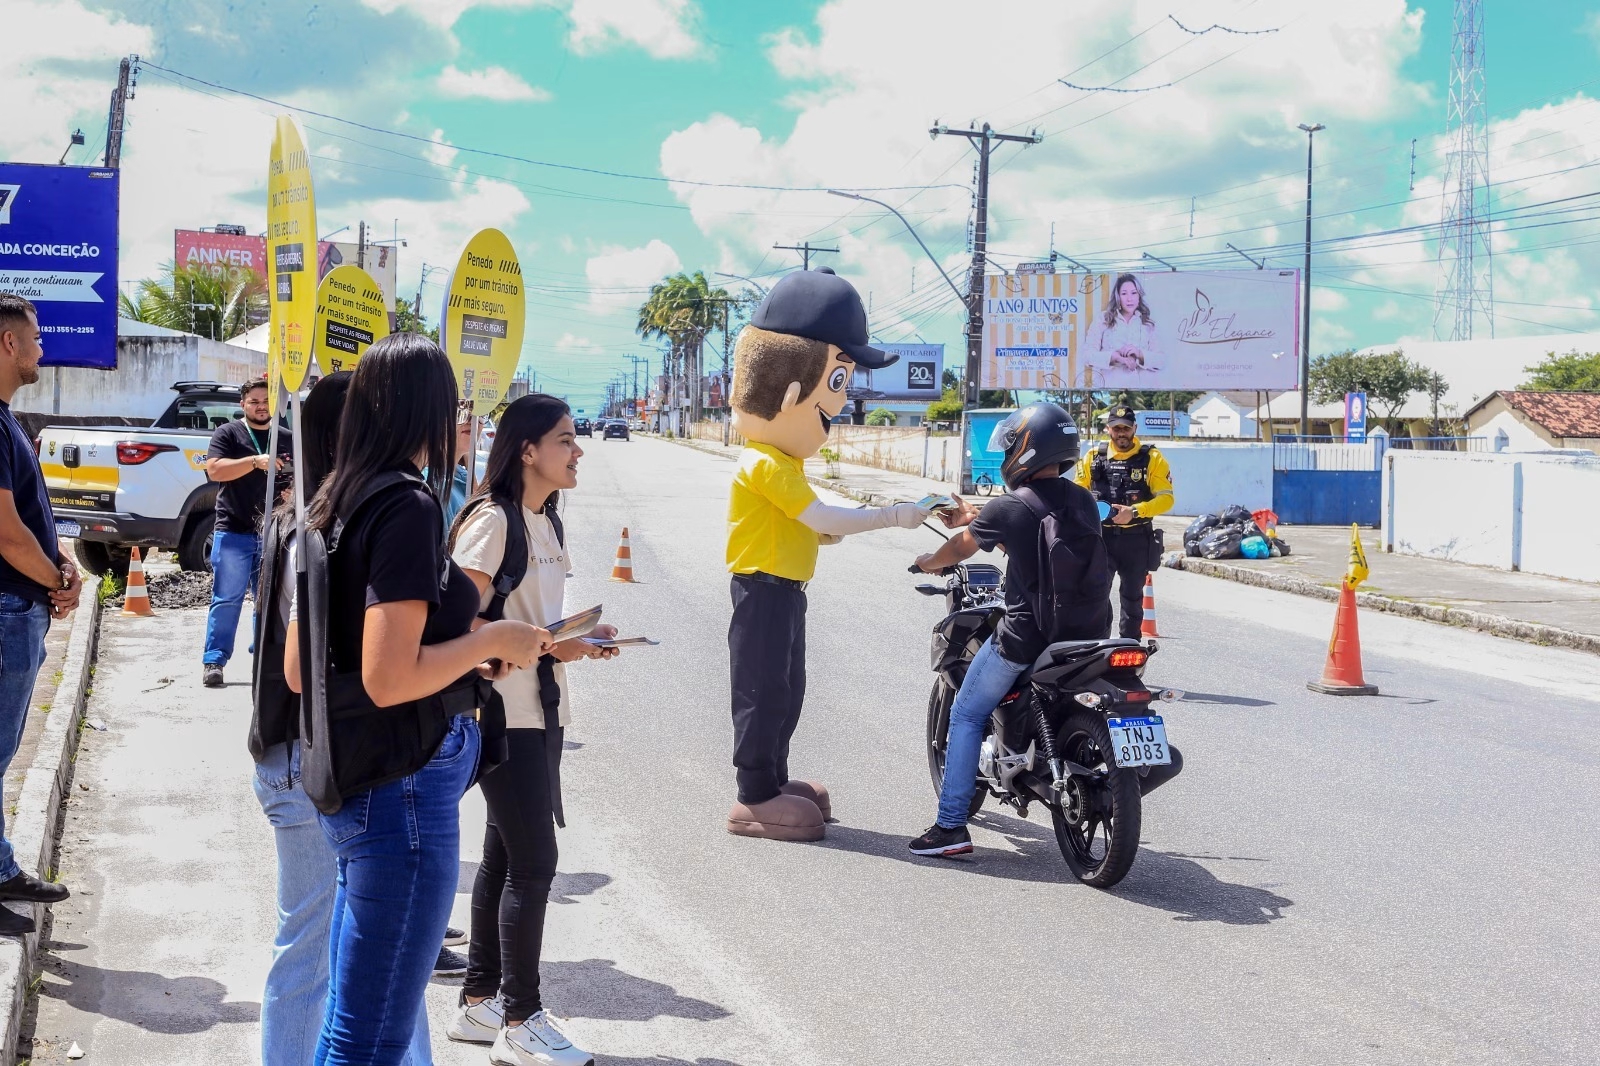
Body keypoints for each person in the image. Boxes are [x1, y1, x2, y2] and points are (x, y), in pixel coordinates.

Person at [282, 333, 555, 1066]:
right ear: (427, 411)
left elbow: (301, 668)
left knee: (351, 1018)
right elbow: (389, 677)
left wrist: (463, 659)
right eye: (456, 408)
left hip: (354, 783)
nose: (463, 424)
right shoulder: (405, 505)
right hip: (399, 794)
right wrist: (490, 639)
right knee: (368, 1040)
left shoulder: (333, 499)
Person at [248, 372, 435, 1066]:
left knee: (340, 952)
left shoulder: (298, 521)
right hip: (311, 762)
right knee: (360, 958)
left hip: (284, 755)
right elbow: (304, 671)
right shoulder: (324, 529)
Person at [724, 268, 931, 841]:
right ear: (792, 390)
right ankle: (753, 795)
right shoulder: (764, 461)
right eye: (837, 380)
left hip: (786, 588)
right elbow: (819, 514)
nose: (840, 402)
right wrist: (894, 514)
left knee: (788, 687)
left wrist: (820, 535)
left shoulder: (786, 464)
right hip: (762, 589)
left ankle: (775, 777)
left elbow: (806, 524)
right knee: (762, 691)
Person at [447, 394, 620, 1066]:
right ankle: (522, 1019)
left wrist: (577, 639)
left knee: (504, 857)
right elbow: (459, 623)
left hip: (541, 710)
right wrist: (537, 646)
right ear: (527, 450)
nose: (578, 451)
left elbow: (536, 627)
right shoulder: (492, 522)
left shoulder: (545, 520)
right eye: (566, 440)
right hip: (503, 715)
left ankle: (481, 1001)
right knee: (535, 864)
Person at [907, 403, 1111, 858]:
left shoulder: (1011, 506)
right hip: (1089, 636)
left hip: (1027, 639)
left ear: (1025, 449)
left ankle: (951, 827)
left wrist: (927, 560)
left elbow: (959, 550)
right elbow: (1025, 532)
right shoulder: (1082, 501)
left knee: (965, 714)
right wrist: (978, 517)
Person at [0, 294, 81, 936]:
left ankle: (1, 868)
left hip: (19, 605)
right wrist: (55, 579)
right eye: (35, 337)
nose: (41, 347)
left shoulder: (9, 422)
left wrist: (64, 567)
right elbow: (4, 533)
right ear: (7, 344)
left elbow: (29, 520)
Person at [202, 374, 293, 688]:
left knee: (268, 601)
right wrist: (255, 461)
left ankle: (264, 659)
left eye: (266, 401)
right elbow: (214, 469)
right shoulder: (229, 433)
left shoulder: (285, 436)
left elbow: (299, 478)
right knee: (227, 599)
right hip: (234, 532)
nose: (261, 406)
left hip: (273, 533)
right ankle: (214, 660)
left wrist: (292, 493)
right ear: (242, 404)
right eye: (254, 401)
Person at [1074, 403, 1174, 638]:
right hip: (1101, 539)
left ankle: (1128, 650)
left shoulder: (1152, 458)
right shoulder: (1092, 457)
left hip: (1137, 540)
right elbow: (1077, 493)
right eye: (1116, 428)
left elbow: (1167, 498)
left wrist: (1135, 512)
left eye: (1126, 428)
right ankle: (1097, 649)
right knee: (1096, 596)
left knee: (1132, 599)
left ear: (1134, 428)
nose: (1121, 433)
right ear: (1108, 429)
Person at [1084, 273, 1161, 379]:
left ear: (1139, 297)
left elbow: (1161, 360)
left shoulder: (1147, 324)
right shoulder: (1103, 319)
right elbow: (1087, 356)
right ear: (1118, 297)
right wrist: (1115, 357)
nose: (1129, 299)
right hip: (1109, 387)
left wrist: (1139, 354)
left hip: (1142, 389)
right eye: (1124, 294)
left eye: (1134, 293)